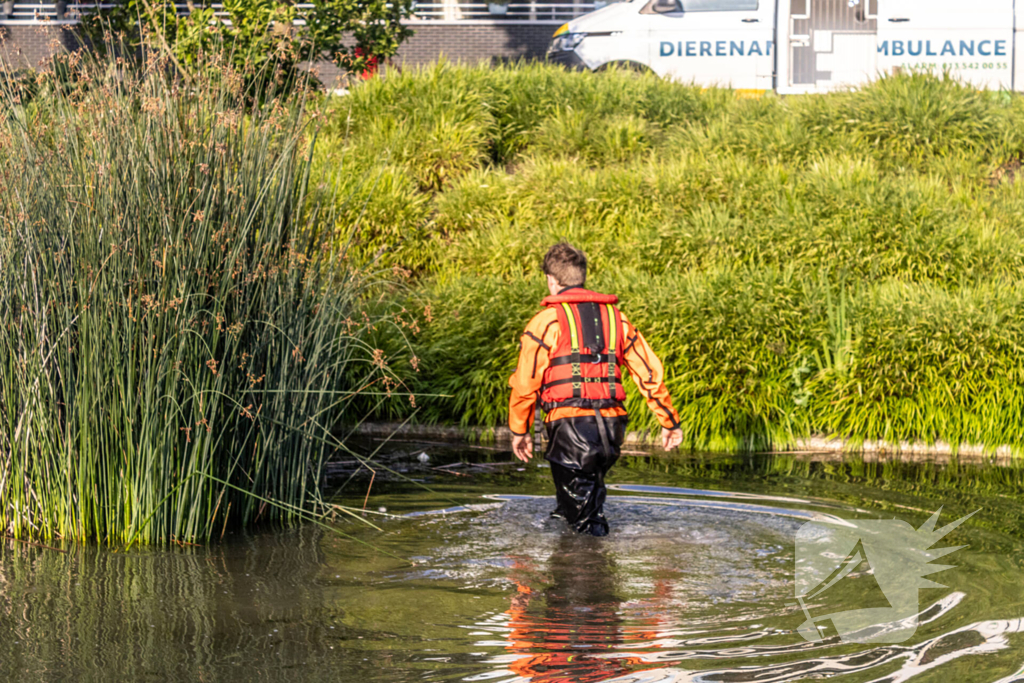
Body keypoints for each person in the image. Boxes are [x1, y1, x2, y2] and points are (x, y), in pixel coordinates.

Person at [508, 242, 683, 536]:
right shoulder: (618, 319)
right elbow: (648, 373)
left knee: (585, 523)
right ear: (582, 276)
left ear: (551, 280)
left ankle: (591, 560)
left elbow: (525, 383)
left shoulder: (546, 321)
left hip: (570, 429)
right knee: (574, 505)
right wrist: (669, 422)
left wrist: (519, 430)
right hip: (611, 428)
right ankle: (571, 549)